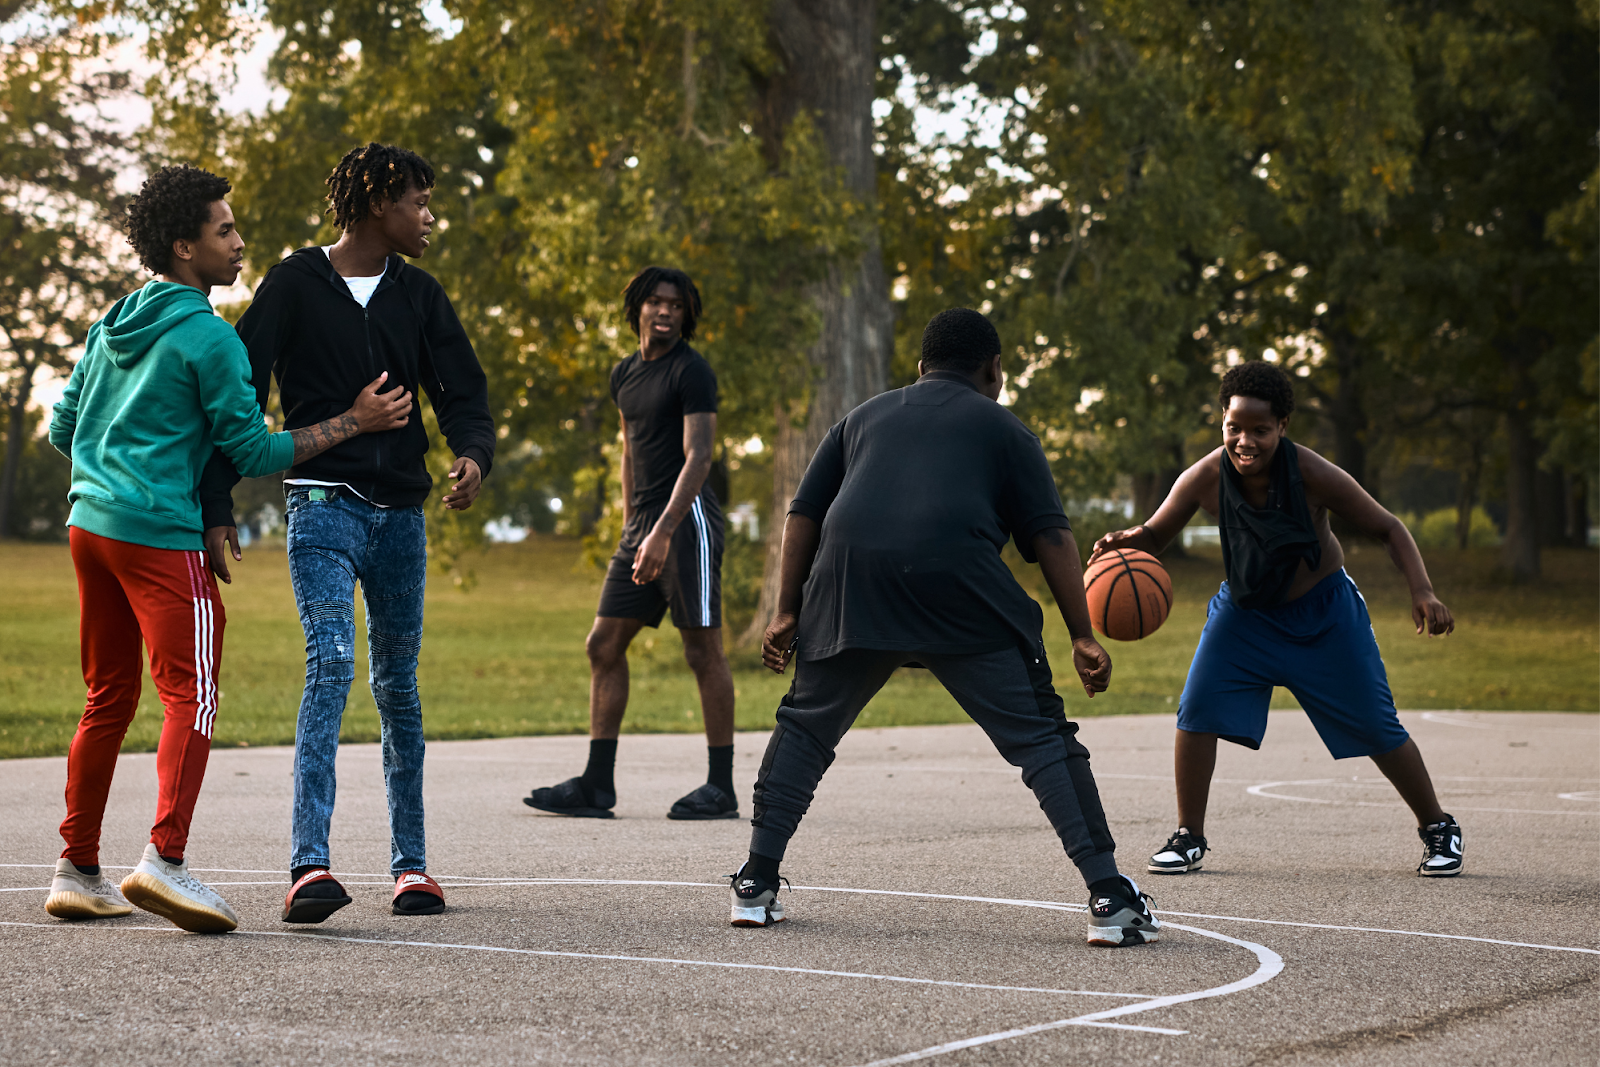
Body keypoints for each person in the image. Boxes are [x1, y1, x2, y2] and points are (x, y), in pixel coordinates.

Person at [44, 164, 410, 933]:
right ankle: (164, 861)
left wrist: (111, 468)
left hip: (89, 529)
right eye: (224, 231)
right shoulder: (210, 338)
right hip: (156, 535)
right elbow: (250, 448)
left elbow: (60, 429)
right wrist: (351, 422)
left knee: (107, 696)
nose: (240, 244)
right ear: (185, 247)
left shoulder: (113, 319)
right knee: (192, 695)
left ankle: (77, 868)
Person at [727, 308, 1161, 948]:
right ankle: (1108, 897)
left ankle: (755, 883)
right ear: (994, 371)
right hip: (958, 591)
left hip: (852, 587)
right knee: (1041, 738)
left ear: (921, 367)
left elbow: (804, 515)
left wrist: (787, 610)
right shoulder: (1005, 427)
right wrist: (1082, 633)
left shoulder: (861, 419)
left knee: (807, 725)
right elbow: (1050, 536)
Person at [199, 143, 496, 923]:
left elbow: (462, 387)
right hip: (320, 505)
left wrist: (472, 454)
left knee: (399, 684)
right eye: (419, 202)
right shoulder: (295, 284)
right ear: (375, 202)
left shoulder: (421, 296)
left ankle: (413, 868)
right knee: (331, 660)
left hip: (400, 515)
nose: (430, 217)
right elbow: (239, 394)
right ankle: (309, 867)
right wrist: (217, 502)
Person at [1091, 360, 1463, 879]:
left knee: (1377, 726)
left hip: (1325, 615)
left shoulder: (1312, 474)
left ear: (1283, 426)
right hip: (1245, 616)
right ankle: (1188, 835)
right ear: (1222, 420)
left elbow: (1388, 527)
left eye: (1260, 430)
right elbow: (1156, 535)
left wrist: (1421, 589)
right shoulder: (1204, 477)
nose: (1245, 441)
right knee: (1196, 712)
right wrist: (1128, 540)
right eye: (1234, 427)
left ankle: (1438, 827)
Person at [521, 267, 739, 822]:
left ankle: (721, 786)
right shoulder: (624, 374)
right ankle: (597, 784)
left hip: (686, 523)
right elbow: (627, 450)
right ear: (638, 309)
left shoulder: (693, 373)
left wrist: (663, 530)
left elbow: (700, 457)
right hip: (641, 525)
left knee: (701, 650)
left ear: (686, 315)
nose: (665, 311)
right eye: (655, 302)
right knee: (603, 644)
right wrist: (631, 524)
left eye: (675, 305)